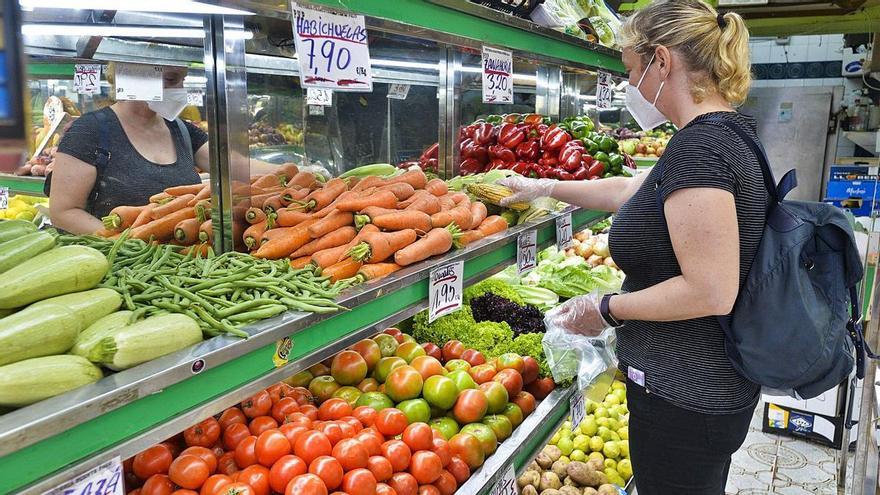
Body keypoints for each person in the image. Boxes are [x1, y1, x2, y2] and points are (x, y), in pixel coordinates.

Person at [500, 1, 763, 493]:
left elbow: (711, 290)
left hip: (688, 392)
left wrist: (605, 308)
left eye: (630, 70)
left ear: (662, 62)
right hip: (705, 383)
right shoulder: (720, 134)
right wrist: (546, 188)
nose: (630, 87)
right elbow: (632, 190)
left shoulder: (702, 148)